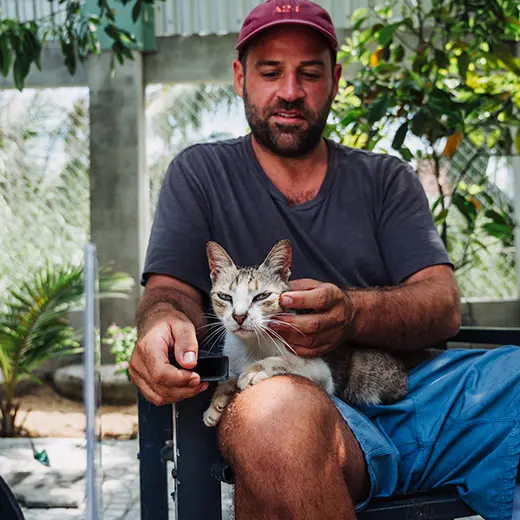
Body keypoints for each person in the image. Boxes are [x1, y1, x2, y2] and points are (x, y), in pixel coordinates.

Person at [129, 1, 520, 518]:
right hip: (300, 400)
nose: (290, 91)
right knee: (275, 416)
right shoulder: (200, 173)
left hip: (426, 391)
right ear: (239, 77)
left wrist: (352, 313)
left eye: (309, 73)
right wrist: (161, 323)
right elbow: (170, 291)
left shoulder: (386, 178)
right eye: (270, 72)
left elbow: (442, 304)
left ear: (334, 80)